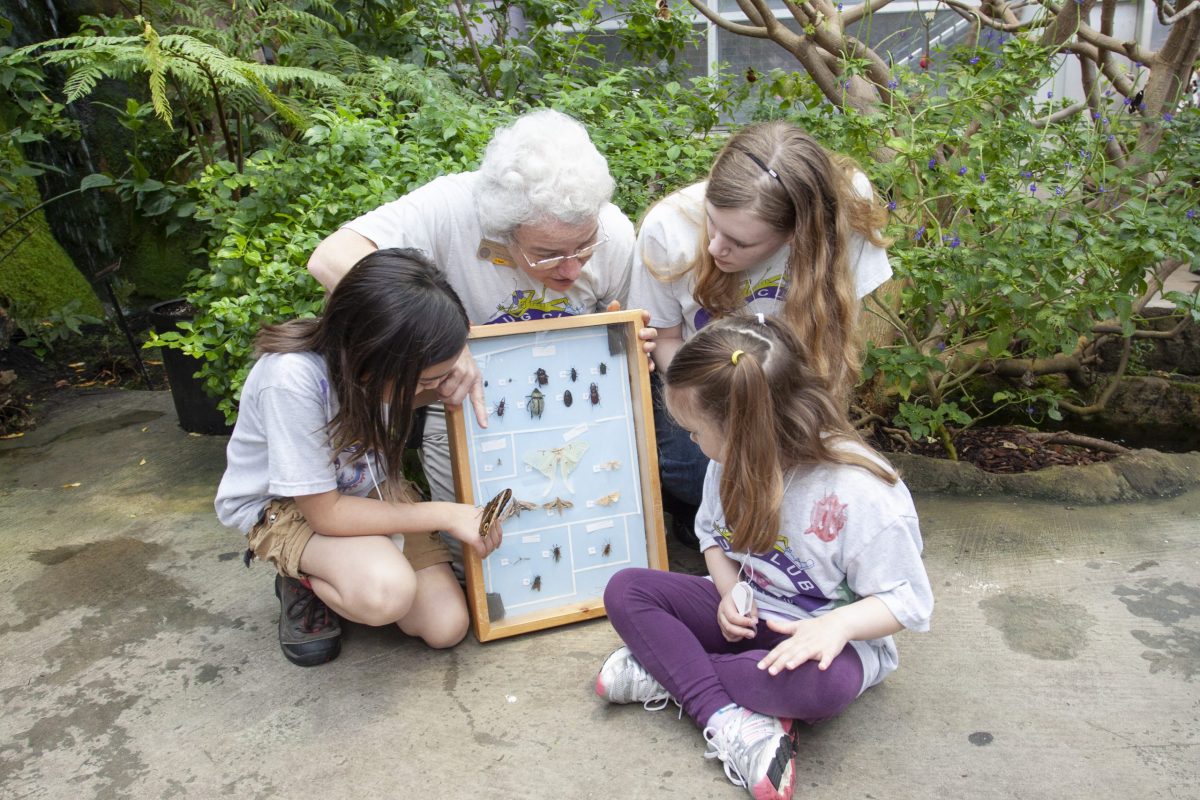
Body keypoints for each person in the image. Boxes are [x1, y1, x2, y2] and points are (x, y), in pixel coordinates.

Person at [594, 315, 933, 800]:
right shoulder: (726, 462)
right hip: (752, 617)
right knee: (627, 589)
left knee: (821, 690)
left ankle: (669, 671)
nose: (692, 441)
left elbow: (907, 600)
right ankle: (726, 715)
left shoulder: (859, 492)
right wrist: (729, 592)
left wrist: (835, 627)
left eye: (694, 430)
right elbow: (711, 537)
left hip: (827, 640)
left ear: (742, 432)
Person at [307, 108, 641, 530]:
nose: (572, 269)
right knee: (479, 543)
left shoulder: (613, 231)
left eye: (585, 246)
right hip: (464, 410)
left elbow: (627, 330)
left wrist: (626, 346)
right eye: (548, 253)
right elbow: (330, 259)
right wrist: (450, 339)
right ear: (504, 230)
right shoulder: (452, 208)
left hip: (573, 404)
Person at [215, 248, 503, 666]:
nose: (436, 388)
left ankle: (358, 561)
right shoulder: (291, 380)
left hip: (369, 488)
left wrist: (458, 363)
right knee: (386, 593)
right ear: (371, 356)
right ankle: (301, 577)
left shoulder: (383, 358)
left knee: (446, 627)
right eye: (425, 381)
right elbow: (326, 515)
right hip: (290, 506)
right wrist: (447, 514)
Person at [629, 120, 892, 543]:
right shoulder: (669, 226)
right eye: (712, 224)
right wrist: (725, 407)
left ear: (795, 234)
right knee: (695, 475)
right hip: (706, 382)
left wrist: (790, 426)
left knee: (803, 482)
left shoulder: (846, 211)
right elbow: (665, 337)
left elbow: (831, 347)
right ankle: (698, 515)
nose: (715, 248)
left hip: (785, 384)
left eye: (740, 242)